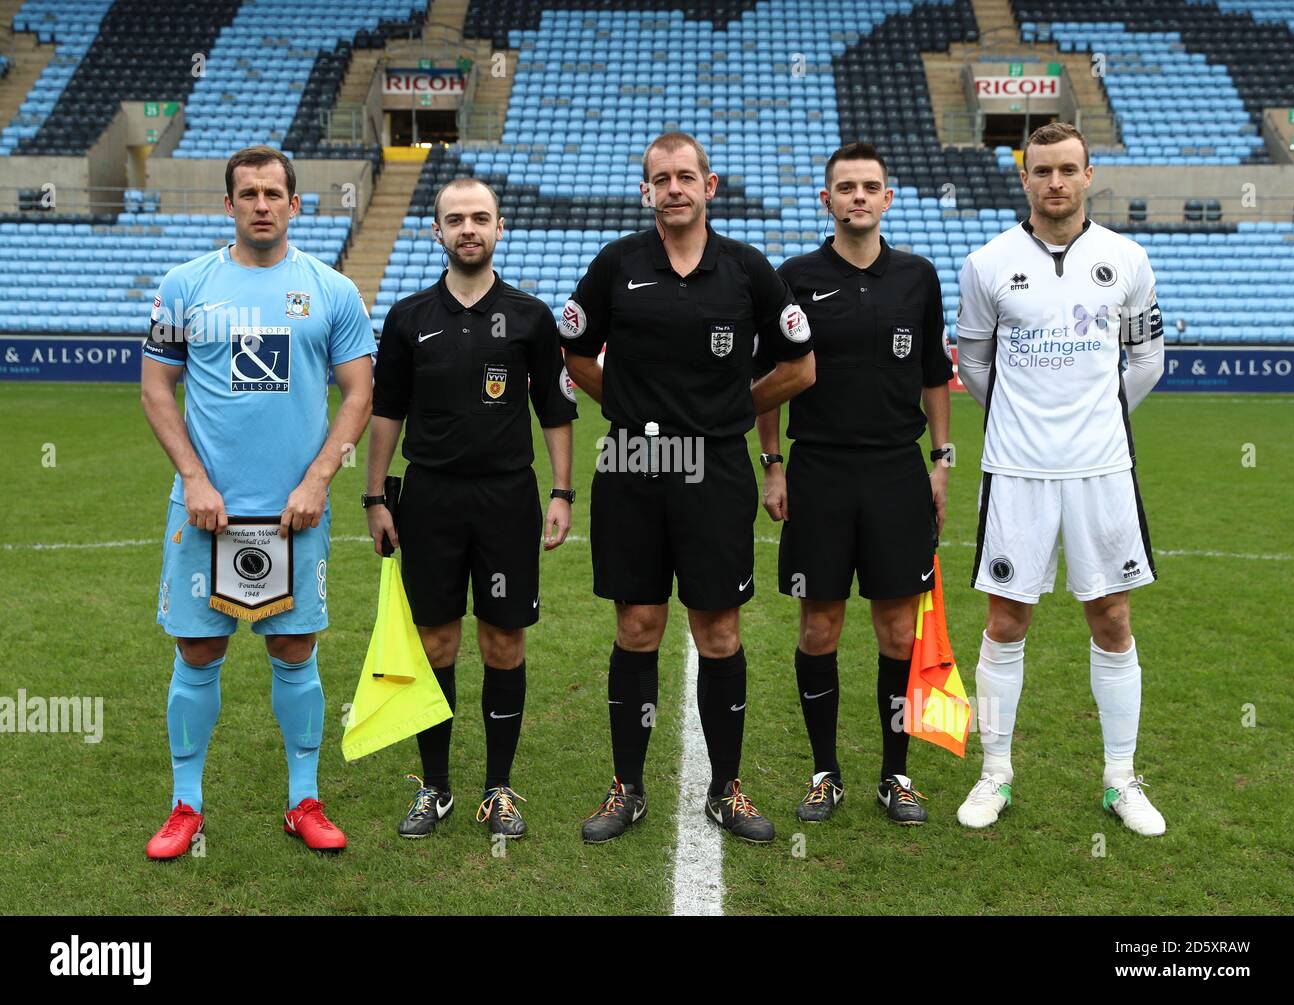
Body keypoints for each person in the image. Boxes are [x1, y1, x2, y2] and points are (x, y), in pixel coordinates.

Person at [563, 132, 816, 845]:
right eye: (660, 179)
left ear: (710, 186)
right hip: (633, 467)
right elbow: (574, 352)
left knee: (719, 630)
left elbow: (801, 365)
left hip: (716, 468)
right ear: (646, 191)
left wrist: (734, 409)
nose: (673, 188)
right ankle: (627, 786)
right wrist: (631, 405)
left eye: (685, 176)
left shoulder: (746, 269)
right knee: (637, 625)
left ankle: (726, 787)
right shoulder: (616, 265)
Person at [140, 145, 375, 859]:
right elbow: (156, 390)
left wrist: (318, 479)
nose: (263, 204)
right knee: (199, 646)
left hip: (295, 512)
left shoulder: (333, 290)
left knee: (293, 646)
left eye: (275, 193)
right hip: (205, 510)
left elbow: (359, 393)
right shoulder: (184, 285)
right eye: (249, 194)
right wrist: (195, 478)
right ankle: (186, 805)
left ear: (296, 205)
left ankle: (303, 799)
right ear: (229, 205)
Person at [955, 122, 1166, 836]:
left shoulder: (1127, 258)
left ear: (1087, 174)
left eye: (1067, 169)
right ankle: (995, 774)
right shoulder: (987, 263)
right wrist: (1023, 423)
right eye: (1042, 170)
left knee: (1111, 616)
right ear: (1024, 177)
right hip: (1016, 471)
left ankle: (1119, 777)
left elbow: (1146, 362)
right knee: (1006, 618)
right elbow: (976, 368)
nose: (1055, 182)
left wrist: (1097, 422)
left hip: (1102, 470)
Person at [366, 177, 576, 840]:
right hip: (429, 497)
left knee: (503, 641)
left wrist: (562, 492)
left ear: (499, 227)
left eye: (479, 217)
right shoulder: (407, 318)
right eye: (454, 218)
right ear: (436, 231)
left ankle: (498, 788)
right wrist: (375, 495)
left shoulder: (531, 317)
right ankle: (436, 788)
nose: (467, 228)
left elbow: (556, 410)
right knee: (436, 643)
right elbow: (386, 412)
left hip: (508, 498)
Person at [757, 141, 953, 826]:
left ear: (888, 197)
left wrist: (941, 456)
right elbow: (773, 382)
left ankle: (895, 774)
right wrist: (773, 465)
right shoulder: (795, 277)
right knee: (821, 626)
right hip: (819, 473)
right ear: (828, 200)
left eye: (871, 186)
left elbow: (934, 372)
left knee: (899, 629)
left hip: (898, 470)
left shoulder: (919, 278)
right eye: (847, 187)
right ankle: (825, 772)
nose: (859, 197)